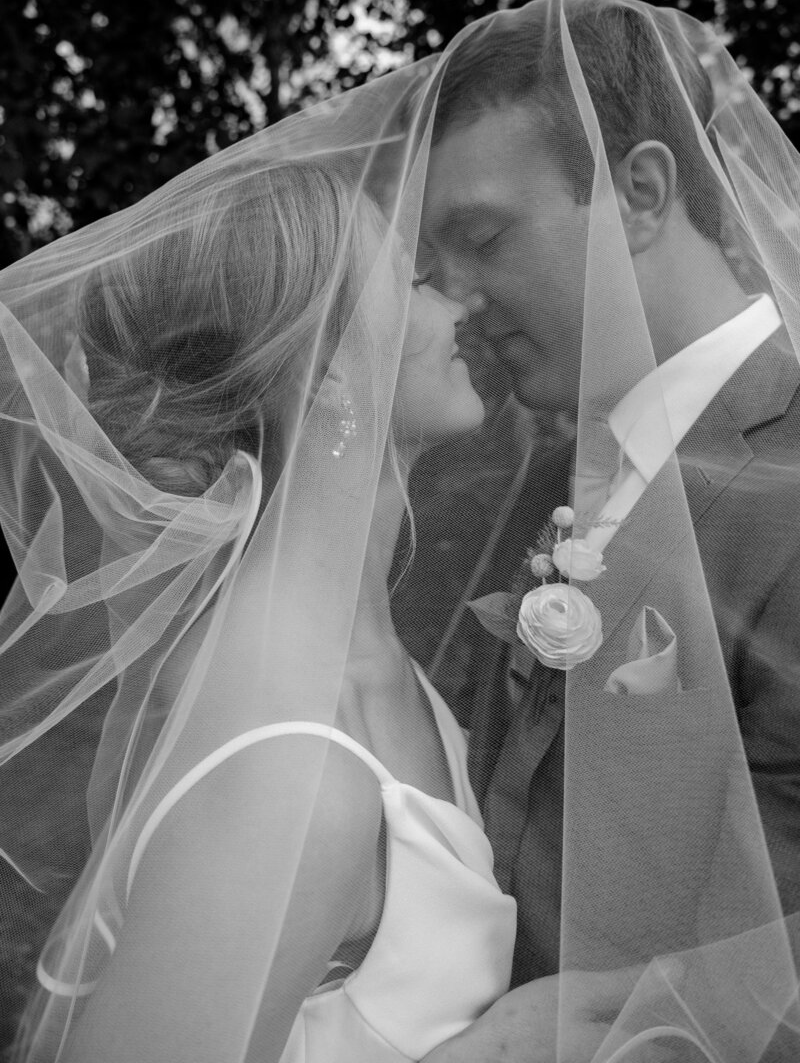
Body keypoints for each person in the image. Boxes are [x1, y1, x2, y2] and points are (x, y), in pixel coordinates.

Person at [0, 128, 649, 1061]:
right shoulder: (286, 777)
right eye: (414, 282)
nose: (455, 301)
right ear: (332, 371)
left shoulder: (380, 671)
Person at [420, 0, 800, 1054]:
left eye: (481, 236)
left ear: (638, 193)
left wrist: (574, 1025)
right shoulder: (563, 476)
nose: (454, 296)